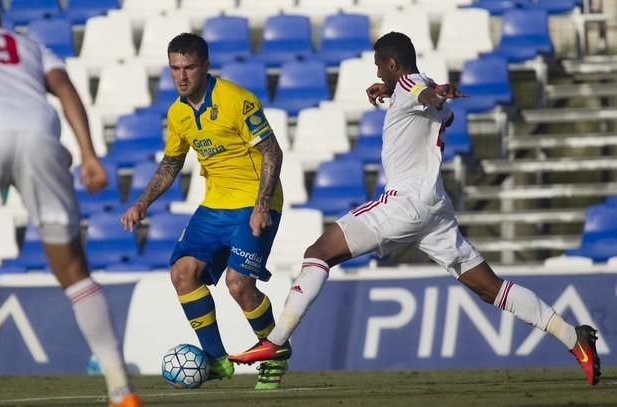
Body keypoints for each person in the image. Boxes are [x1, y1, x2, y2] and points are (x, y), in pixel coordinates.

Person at [228, 31, 602, 387]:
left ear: (392, 64)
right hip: (435, 209)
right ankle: (574, 337)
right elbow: (437, 110)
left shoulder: (410, 85)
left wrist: (432, 93)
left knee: (318, 253)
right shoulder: (407, 90)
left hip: (405, 204)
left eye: (379, 68)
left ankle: (276, 340)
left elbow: (423, 95)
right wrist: (405, 96)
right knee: (491, 289)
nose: (377, 74)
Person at [0, 2, 141, 406]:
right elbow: (64, 88)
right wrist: (89, 155)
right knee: (73, 270)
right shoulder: (27, 45)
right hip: (39, 134)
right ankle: (120, 390)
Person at [120, 33, 286, 390]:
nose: (181, 76)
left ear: (205, 66)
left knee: (239, 286)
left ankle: (274, 356)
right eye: (175, 68)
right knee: (182, 272)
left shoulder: (236, 100)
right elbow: (171, 163)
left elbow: (273, 152)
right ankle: (216, 361)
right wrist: (141, 203)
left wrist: (260, 207)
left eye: (189, 68)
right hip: (214, 206)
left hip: (254, 203)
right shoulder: (178, 113)